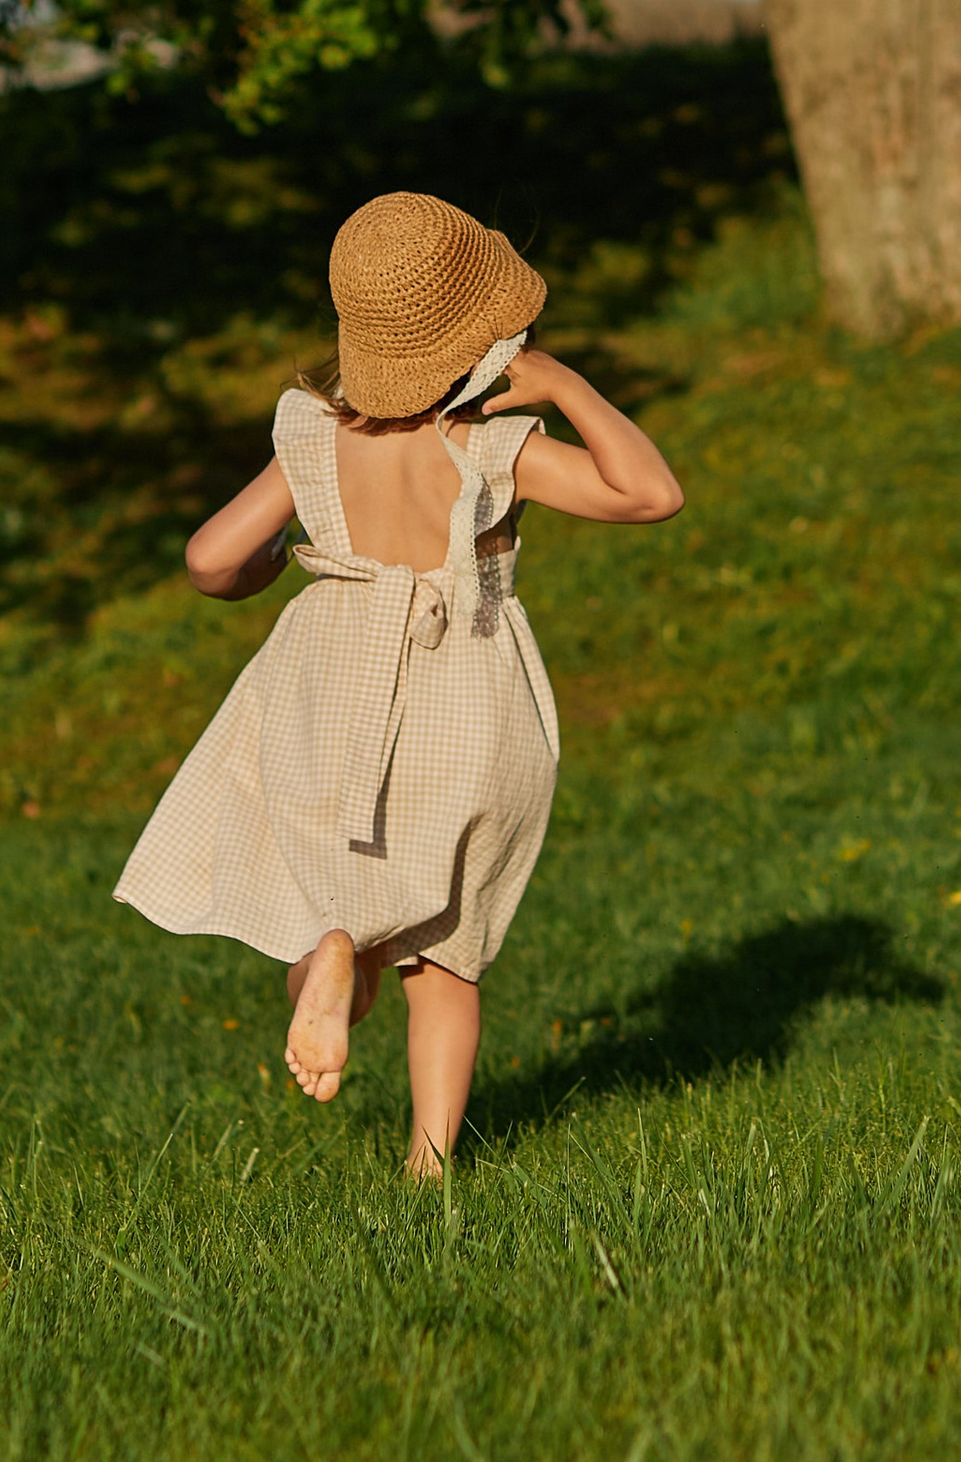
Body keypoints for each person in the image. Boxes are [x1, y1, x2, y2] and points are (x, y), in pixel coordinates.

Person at [115, 190, 683, 1175]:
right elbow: (650, 493)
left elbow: (210, 558)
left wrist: (265, 571)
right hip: (459, 695)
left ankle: (333, 959)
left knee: (337, 908)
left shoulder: (314, 437)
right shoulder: (492, 448)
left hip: (326, 691)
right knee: (443, 955)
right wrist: (564, 385)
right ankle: (429, 1173)